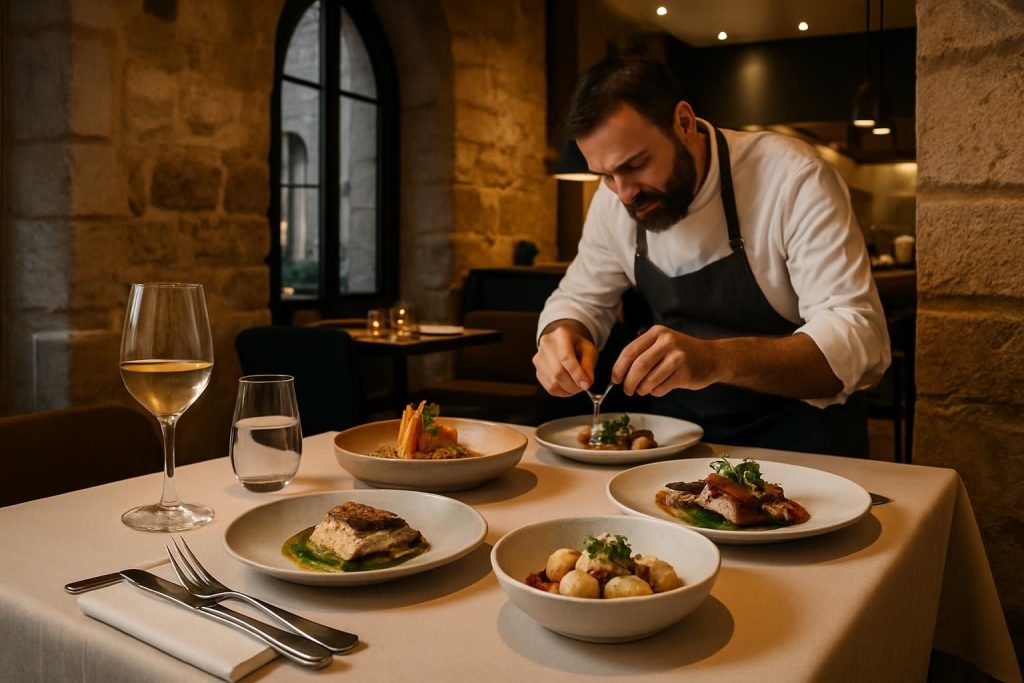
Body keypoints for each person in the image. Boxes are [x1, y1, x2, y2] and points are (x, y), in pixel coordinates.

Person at [533, 57, 890, 457]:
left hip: (803, 445)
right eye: (605, 175)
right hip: (677, 447)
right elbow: (579, 299)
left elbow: (859, 338)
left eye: (635, 165)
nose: (624, 193)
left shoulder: (792, 177)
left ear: (683, 122)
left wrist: (716, 358)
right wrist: (561, 335)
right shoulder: (614, 200)